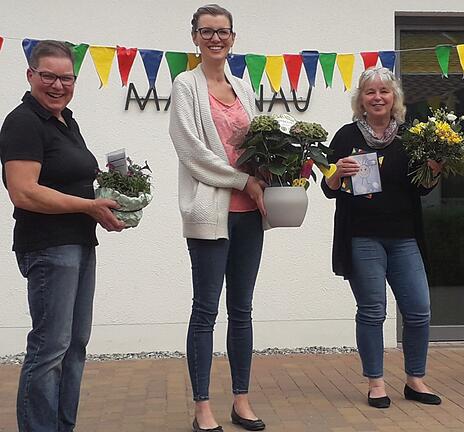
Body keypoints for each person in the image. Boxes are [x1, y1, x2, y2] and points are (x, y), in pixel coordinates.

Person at [0, 40, 124, 432]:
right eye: (48, 76)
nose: (58, 85)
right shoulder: (22, 121)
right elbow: (24, 190)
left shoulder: (66, 121)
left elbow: (73, 181)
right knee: (49, 349)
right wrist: (89, 207)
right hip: (49, 247)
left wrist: (108, 197)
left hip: (80, 244)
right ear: (30, 76)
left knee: (73, 347)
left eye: (66, 78)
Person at [168, 4, 267, 431]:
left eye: (222, 31)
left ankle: (241, 400)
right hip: (212, 213)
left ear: (233, 37)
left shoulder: (244, 87)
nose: (215, 38)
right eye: (206, 31)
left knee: (242, 310)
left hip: (249, 215)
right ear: (194, 37)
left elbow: (260, 139)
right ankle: (202, 407)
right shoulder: (185, 84)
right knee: (206, 309)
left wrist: (274, 170)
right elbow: (191, 151)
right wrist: (242, 180)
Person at [321, 67, 443, 409]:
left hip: (404, 237)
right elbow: (328, 189)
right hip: (362, 238)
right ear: (360, 99)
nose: (377, 97)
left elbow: (420, 188)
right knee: (373, 311)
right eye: (370, 92)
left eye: (384, 92)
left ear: (395, 99)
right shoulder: (346, 137)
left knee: (419, 310)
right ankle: (376, 382)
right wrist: (336, 176)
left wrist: (434, 171)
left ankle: (415, 380)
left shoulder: (412, 137)